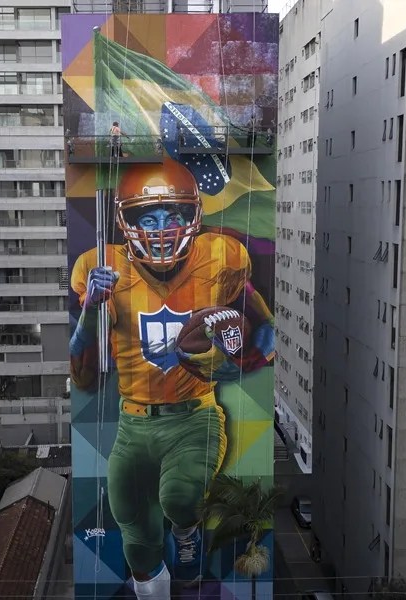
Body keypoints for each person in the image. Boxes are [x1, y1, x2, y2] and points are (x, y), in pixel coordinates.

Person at [70, 160, 275, 600]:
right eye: (149, 218)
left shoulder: (221, 257)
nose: (162, 229)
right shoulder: (102, 267)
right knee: (134, 530)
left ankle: (186, 531)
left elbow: (265, 325)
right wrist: (91, 306)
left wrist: (239, 361)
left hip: (194, 417)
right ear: (126, 221)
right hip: (133, 423)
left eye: (173, 215)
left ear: (193, 216)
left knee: (180, 498)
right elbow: (80, 363)